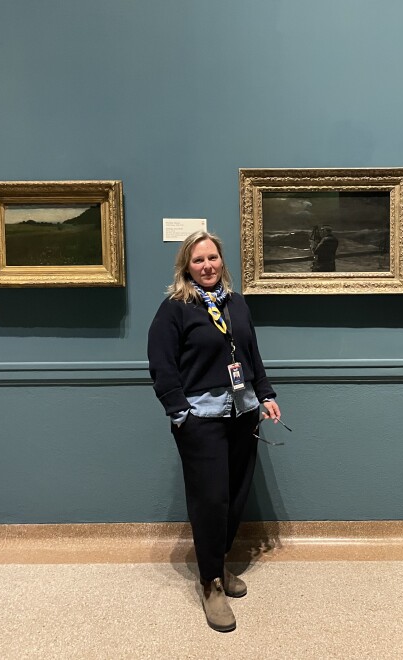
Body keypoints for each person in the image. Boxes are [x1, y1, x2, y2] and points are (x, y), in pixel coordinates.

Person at [148, 230, 281, 633]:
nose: (207, 266)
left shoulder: (235, 303)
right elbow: (161, 365)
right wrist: (180, 413)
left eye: (212, 258)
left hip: (243, 411)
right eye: (198, 260)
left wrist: (266, 394)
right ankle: (210, 584)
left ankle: (219, 564)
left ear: (222, 261)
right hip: (201, 417)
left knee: (236, 493)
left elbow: (251, 353)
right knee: (211, 499)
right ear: (186, 267)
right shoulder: (175, 308)